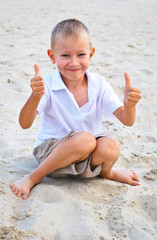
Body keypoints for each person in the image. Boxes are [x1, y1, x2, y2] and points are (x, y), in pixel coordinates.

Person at [10, 19, 141, 200]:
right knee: (86, 139)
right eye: (65, 55)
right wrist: (35, 96)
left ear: (91, 54)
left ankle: (107, 173)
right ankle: (33, 177)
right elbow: (24, 124)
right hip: (50, 154)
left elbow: (127, 120)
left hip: (84, 157)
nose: (74, 62)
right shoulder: (47, 84)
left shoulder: (99, 84)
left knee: (109, 146)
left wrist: (129, 105)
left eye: (81, 54)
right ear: (52, 56)